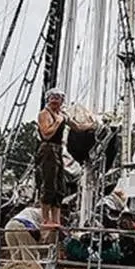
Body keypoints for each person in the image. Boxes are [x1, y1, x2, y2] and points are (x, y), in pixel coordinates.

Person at [36, 87, 78, 241]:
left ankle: (56, 219)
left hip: (58, 149)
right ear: (48, 99)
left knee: (59, 187)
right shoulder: (44, 114)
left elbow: (76, 126)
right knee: (49, 184)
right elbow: (46, 134)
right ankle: (45, 219)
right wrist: (58, 121)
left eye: (58, 98)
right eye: (52, 97)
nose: (55, 100)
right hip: (48, 148)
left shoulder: (61, 115)